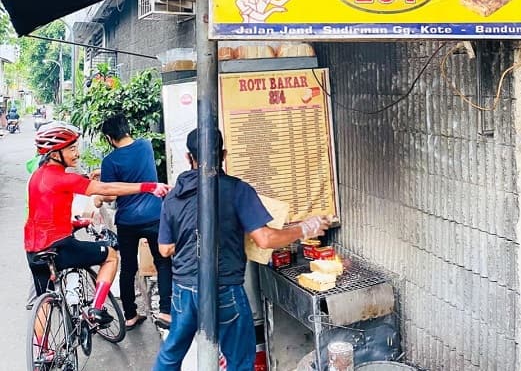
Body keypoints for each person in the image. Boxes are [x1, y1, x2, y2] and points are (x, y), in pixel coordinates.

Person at [153, 128, 329, 371]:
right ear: (223, 155)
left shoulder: (173, 198)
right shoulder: (237, 190)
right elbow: (265, 239)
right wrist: (305, 228)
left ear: (188, 157)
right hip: (224, 289)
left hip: (184, 290)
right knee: (239, 361)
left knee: (171, 354)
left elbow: (164, 249)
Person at [25, 121, 171, 327]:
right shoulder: (145, 145)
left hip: (34, 250)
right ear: (55, 153)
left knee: (44, 302)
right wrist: (148, 186)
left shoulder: (37, 177)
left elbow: (45, 213)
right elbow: (106, 189)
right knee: (112, 256)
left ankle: (43, 353)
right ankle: (96, 308)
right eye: (72, 148)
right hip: (62, 247)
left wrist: (75, 223)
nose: (77, 153)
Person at [94, 113, 172, 330]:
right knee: (163, 262)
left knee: (128, 268)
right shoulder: (146, 146)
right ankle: (166, 312)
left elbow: (110, 194)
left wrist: (99, 195)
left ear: (110, 138)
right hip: (155, 215)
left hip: (128, 221)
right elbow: (135, 170)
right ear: (127, 129)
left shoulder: (110, 161)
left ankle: (130, 316)